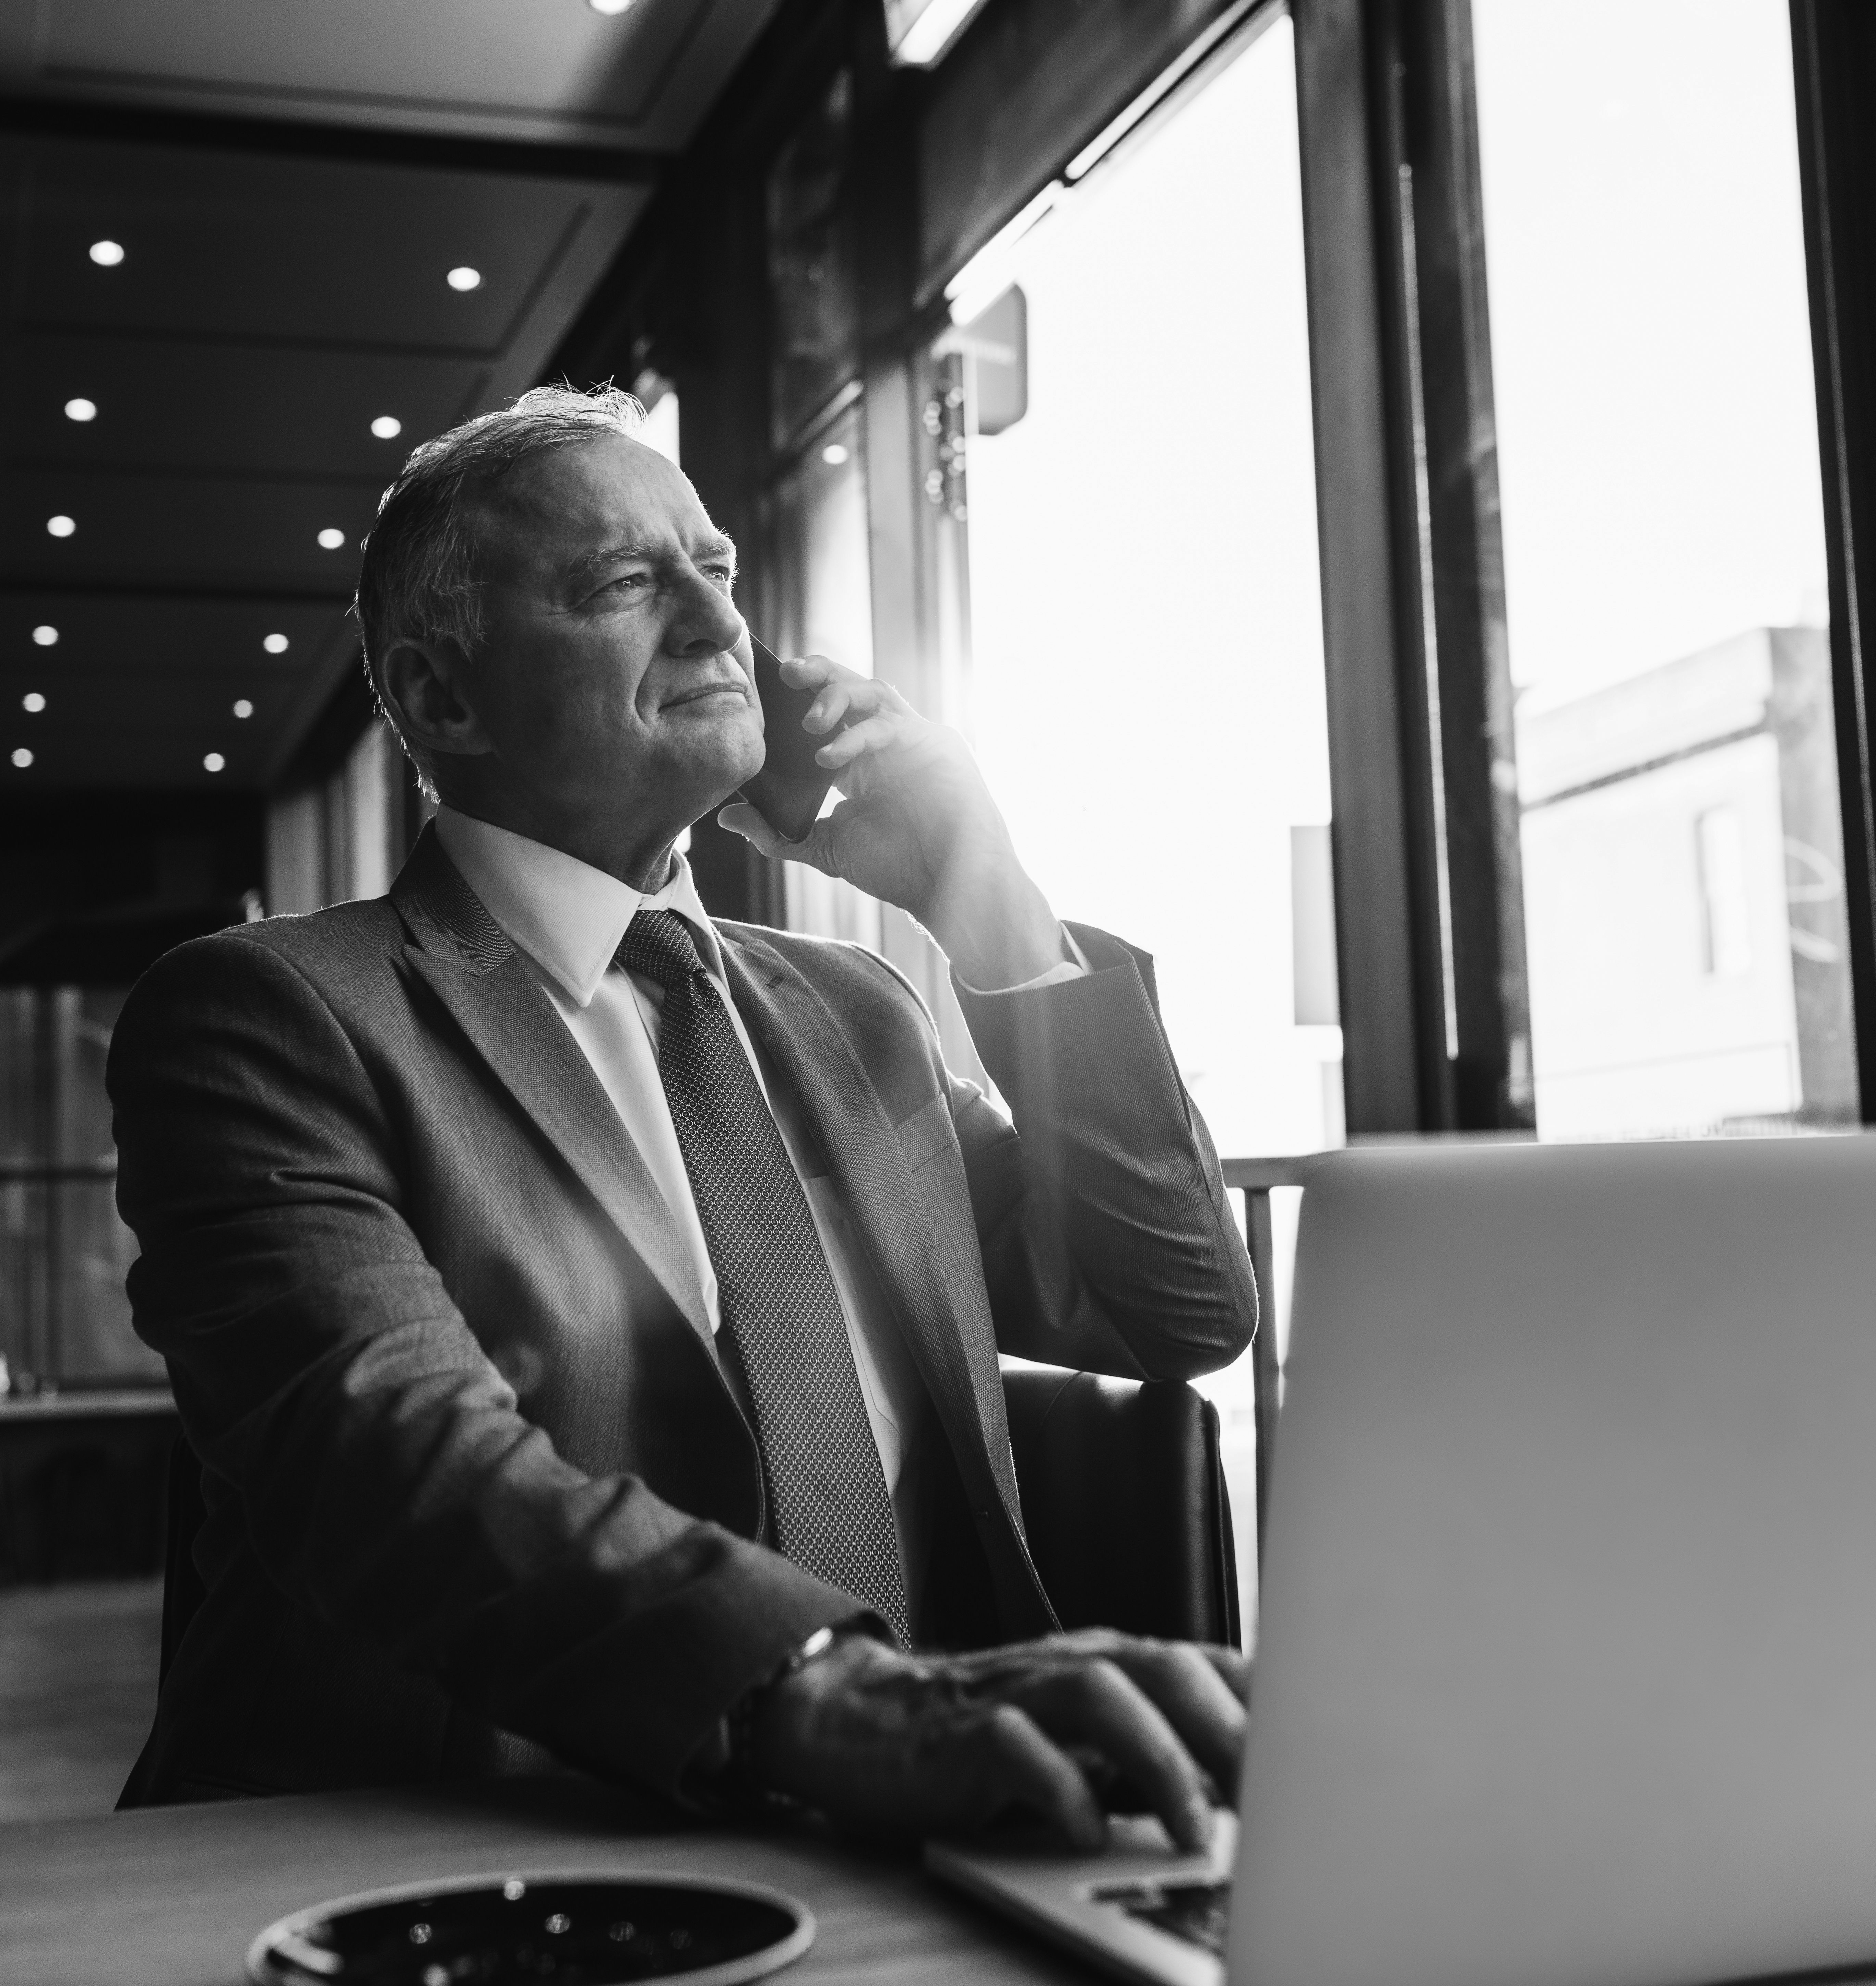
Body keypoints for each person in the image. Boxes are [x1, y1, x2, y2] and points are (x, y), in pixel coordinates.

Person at [109, 383, 1258, 1849]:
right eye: (627, 582)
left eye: (716, 568)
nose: (723, 626)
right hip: (471, 1853)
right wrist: (824, 1691)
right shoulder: (271, 1013)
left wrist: (993, 898)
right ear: (443, 694)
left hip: (930, 1838)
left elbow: (1177, 1307)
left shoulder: (861, 1013)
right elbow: (392, 1459)